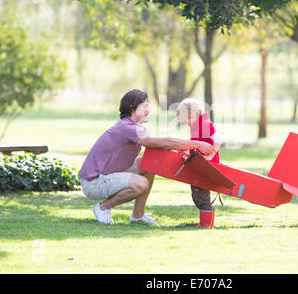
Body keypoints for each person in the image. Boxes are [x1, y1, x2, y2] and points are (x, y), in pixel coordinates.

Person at [79, 89, 216, 225]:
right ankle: (103, 208)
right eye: (145, 107)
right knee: (141, 184)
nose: (148, 110)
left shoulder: (131, 126)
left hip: (106, 175)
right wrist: (196, 144)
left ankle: (138, 215)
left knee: (151, 164)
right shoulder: (129, 128)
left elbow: (160, 145)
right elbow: (164, 143)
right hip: (94, 183)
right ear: (133, 108)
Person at [176, 98, 222, 227]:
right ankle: (205, 221)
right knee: (198, 191)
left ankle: (206, 222)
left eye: (187, 120)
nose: (187, 123)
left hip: (207, 166)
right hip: (200, 165)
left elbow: (218, 138)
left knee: (200, 193)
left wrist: (212, 154)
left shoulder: (204, 124)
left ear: (194, 115)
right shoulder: (198, 124)